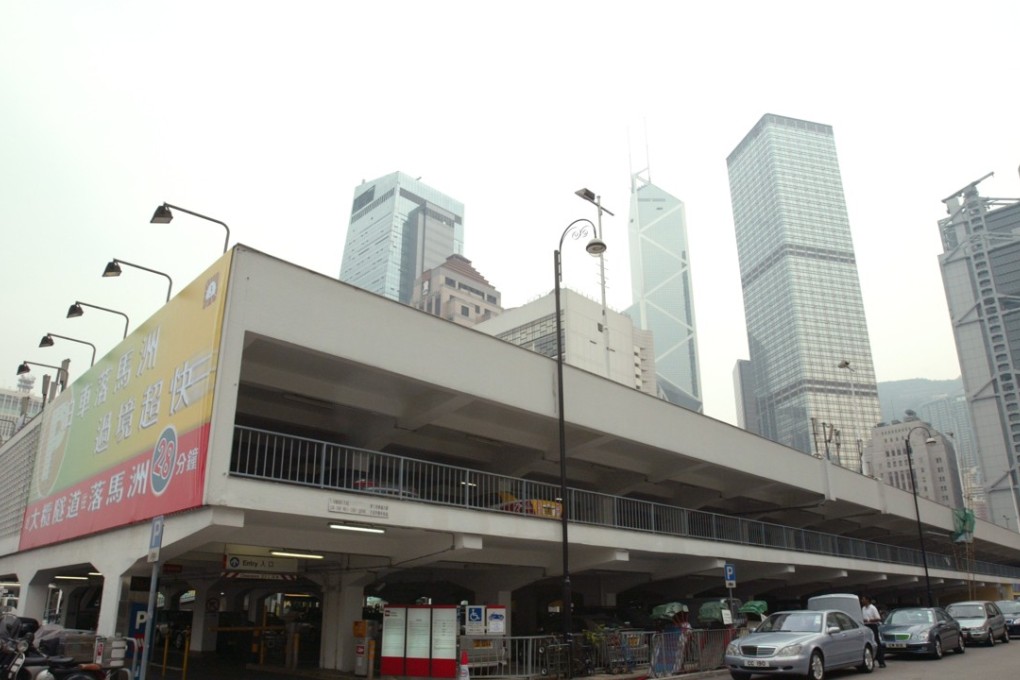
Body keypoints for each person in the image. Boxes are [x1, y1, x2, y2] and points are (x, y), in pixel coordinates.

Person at [860, 595, 885, 668]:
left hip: (872, 626)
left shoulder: (872, 608)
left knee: (876, 642)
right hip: (866, 626)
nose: (862, 601)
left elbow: (878, 618)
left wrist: (869, 620)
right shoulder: (863, 608)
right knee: (869, 644)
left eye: (863, 599)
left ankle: (881, 662)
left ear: (867, 600)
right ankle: (871, 661)